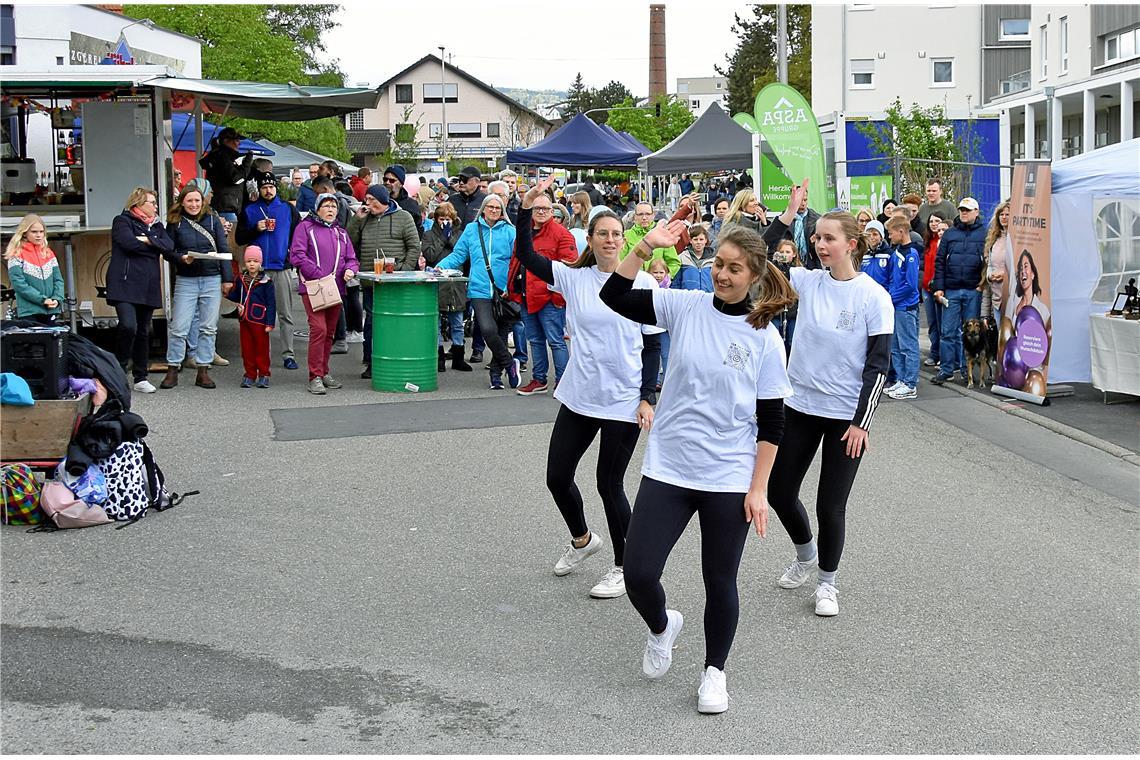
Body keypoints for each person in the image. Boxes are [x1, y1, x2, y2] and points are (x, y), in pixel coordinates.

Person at [599, 217, 794, 715]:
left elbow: (772, 424)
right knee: (640, 573)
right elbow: (615, 297)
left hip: (728, 474)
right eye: (717, 265)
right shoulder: (683, 306)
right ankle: (663, 627)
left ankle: (714, 673)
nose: (722, 275)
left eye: (734, 269)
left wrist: (759, 490)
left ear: (754, 276)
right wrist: (644, 247)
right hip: (669, 466)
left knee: (719, 580)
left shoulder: (765, 339)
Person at [501, 176, 661, 600]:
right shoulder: (573, 278)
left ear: (624, 239)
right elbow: (525, 254)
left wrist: (648, 396)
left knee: (609, 484)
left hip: (624, 399)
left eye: (616, 234)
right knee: (557, 477)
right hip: (580, 395)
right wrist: (525, 208)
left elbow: (652, 343)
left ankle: (624, 566)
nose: (610, 239)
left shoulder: (642, 283)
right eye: (602, 233)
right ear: (589, 237)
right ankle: (583, 540)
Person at [767, 179, 894, 620]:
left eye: (828, 238)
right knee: (779, 491)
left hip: (845, 418)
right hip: (799, 407)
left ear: (852, 245)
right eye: (817, 237)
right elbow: (756, 259)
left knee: (829, 505)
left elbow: (879, 365)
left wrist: (862, 423)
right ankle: (805, 556)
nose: (820, 244)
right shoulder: (805, 281)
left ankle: (827, 582)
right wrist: (787, 216)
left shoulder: (873, 297)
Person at [432, 194, 519, 389]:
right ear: (484, 209)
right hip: (479, 288)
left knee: (501, 334)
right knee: (488, 330)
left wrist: (511, 287)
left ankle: (496, 377)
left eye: (498, 208)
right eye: (491, 207)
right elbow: (459, 255)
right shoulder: (472, 230)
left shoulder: (510, 231)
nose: (494, 211)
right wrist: (439, 267)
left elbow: (517, 261)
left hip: (503, 290)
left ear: (502, 211)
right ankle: (509, 363)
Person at [159, 185, 231, 390]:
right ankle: (172, 368)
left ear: (203, 202)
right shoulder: (175, 222)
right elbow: (167, 251)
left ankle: (203, 370)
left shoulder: (212, 220)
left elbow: (223, 249)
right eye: (189, 201)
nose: (194, 204)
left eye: (197, 201)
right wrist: (181, 258)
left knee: (208, 327)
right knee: (179, 327)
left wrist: (227, 279)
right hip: (186, 279)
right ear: (182, 202)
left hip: (211, 278)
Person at [346, 184, 420, 380]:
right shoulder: (363, 219)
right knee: (372, 321)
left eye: (373, 200)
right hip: (372, 280)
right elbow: (349, 242)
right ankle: (371, 360)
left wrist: (403, 271)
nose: (369, 204)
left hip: (396, 280)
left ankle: (396, 356)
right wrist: (356, 220)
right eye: (367, 199)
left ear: (383, 201)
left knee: (395, 321)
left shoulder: (403, 217)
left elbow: (414, 247)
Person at [507, 192, 578, 396]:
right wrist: (511, 287)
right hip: (526, 295)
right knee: (535, 340)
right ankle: (539, 379)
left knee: (556, 340)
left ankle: (563, 381)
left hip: (549, 298)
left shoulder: (562, 234)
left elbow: (570, 267)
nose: (540, 212)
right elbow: (515, 261)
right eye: (536, 208)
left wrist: (558, 298)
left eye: (545, 209)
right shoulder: (525, 231)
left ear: (552, 211)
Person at [289, 193, 359, 395]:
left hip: (336, 288)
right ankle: (315, 376)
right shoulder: (305, 228)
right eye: (326, 206)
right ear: (317, 208)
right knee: (318, 329)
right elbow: (297, 255)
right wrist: (319, 274)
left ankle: (324, 370)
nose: (330, 210)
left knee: (329, 331)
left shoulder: (341, 233)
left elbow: (351, 258)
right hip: (314, 287)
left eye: (333, 207)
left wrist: (350, 269)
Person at [106, 188, 174, 393]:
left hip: (148, 284)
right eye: (151, 202)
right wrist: (154, 244)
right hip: (124, 283)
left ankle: (140, 377)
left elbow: (168, 245)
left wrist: (147, 239)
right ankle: (118, 371)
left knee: (144, 330)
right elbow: (129, 244)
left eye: (155, 203)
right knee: (129, 326)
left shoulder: (157, 225)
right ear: (138, 203)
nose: (155, 206)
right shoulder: (122, 221)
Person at [236, 171, 303, 371]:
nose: (268, 190)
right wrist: (255, 229)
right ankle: (260, 354)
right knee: (258, 315)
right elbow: (240, 238)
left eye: (271, 187)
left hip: (281, 267)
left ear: (276, 188)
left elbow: (298, 236)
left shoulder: (287, 209)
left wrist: (292, 256)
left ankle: (288, 354)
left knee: (285, 314)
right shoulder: (250, 210)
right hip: (258, 270)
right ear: (260, 189)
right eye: (264, 187)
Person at [931, 197, 986, 385]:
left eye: (968, 210)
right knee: (947, 332)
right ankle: (946, 369)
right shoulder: (950, 234)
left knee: (970, 335)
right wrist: (939, 287)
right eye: (962, 209)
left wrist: (981, 284)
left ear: (976, 212)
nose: (964, 213)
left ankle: (966, 370)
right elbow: (939, 262)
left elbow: (989, 262)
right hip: (952, 290)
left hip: (973, 290)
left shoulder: (984, 233)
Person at [421, 202, 472, 373]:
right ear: (436, 219)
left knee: (457, 321)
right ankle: (438, 357)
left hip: (455, 283)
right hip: (437, 282)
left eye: (448, 219)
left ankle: (458, 356)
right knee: (435, 322)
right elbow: (430, 255)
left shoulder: (460, 234)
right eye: (442, 219)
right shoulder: (428, 234)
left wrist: (449, 236)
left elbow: (462, 254)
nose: (445, 222)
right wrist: (442, 237)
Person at [225, 245, 276, 388]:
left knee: (262, 349)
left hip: (260, 320)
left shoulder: (266, 281)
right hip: (244, 320)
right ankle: (249, 374)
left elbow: (271, 304)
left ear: (260, 263)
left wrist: (270, 323)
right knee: (247, 349)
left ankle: (264, 374)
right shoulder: (241, 279)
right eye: (249, 261)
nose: (252, 264)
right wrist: (228, 293)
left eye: (255, 261)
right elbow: (236, 295)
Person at [883, 215, 922, 400]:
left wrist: (890, 297)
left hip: (905, 307)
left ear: (901, 231)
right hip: (895, 306)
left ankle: (910, 383)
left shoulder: (911, 254)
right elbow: (893, 278)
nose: (889, 236)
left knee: (908, 345)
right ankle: (901, 379)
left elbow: (910, 285)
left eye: (890, 233)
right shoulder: (896, 252)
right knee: (896, 346)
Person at [4, 214, 65, 324]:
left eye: (41, 232)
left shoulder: (48, 253)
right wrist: (42, 300)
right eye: (34, 232)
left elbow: (58, 280)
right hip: (29, 311)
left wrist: (57, 298)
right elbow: (19, 285)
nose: (39, 235)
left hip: (51, 310)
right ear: (24, 233)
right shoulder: (16, 254)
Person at [198, 127, 253, 225]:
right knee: (229, 239)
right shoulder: (223, 157)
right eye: (236, 140)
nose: (239, 143)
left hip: (223, 206)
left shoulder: (218, 156)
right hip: (227, 207)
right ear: (226, 141)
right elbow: (236, 178)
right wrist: (247, 164)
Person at [762, 183, 820, 269]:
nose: (803, 203)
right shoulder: (783, 220)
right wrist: (784, 258)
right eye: (800, 200)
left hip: (810, 266)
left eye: (805, 200)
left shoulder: (817, 220)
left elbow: (821, 251)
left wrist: (814, 243)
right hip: (788, 266)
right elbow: (772, 247)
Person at [623, 202, 681, 278]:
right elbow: (620, 262)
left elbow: (674, 262)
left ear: (653, 215)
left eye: (647, 214)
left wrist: (666, 278)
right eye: (640, 214)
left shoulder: (662, 234)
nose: (644, 217)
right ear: (634, 217)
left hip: (657, 285)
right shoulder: (626, 236)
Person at [921, 214, 946, 367]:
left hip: (939, 288)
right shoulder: (928, 242)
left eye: (937, 221)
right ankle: (934, 352)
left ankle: (943, 355)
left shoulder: (943, 241)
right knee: (932, 324)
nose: (934, 224)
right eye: (931, 221)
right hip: (926, 288)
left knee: (942, 323)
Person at [769, 238, 801, 357]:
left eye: (788, 252)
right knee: (776, 341)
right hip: (776, 311)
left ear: (794, 254)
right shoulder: (774, 269)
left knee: (792, 341)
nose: (784, 255)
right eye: (782, 252)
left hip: (792, 312)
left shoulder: (798, 272)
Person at [981, 200, 1011, 325]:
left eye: (1007, 214)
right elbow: (989, 265)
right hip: (996, 297)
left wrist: (1005, 275)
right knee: (1001, 338)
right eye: (1001, 214)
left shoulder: (1017, 239)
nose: (1004, 217)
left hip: (1012, 297)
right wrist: (990, 275)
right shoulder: (994, 239)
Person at [382, 165, 425, 240]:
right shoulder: (376, 201)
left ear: (401, 184)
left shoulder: (411, 205)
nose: (387, 182)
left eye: (392, 180)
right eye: (385, 179)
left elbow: (418, 231)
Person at [671, 224, 715, 293]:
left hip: (708, 297)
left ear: (706, 240)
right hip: (687, 298)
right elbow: (676, 282)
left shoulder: (713, 260)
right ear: (690, 240)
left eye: (701, 239)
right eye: (695, 239)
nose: (698, 242)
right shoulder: (682, 258)